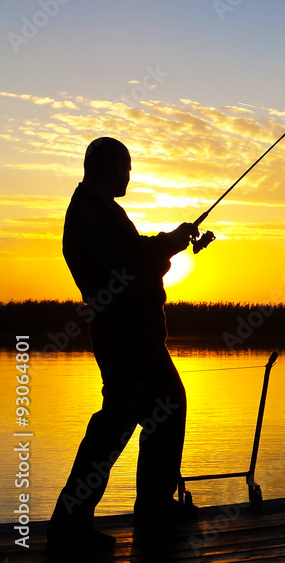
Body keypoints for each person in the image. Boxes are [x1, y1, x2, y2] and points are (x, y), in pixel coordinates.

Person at [47, 137, 200, 551]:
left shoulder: (102, 211)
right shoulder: (87, 215)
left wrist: (172, 245)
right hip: (125, 339)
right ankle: (68, 524)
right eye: (127, 167)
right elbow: (126, 268)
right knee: (114, 426)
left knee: (166, 408)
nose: (130, 174)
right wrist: (171, 242)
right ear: (110, 167)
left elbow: (136, 260)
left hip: (141, 336)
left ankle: (153, 506)